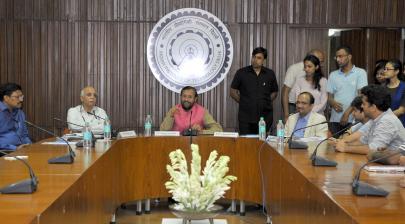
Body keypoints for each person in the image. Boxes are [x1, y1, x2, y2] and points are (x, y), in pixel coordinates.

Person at [335, 85, 405, 165]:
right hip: (380, 163)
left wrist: (345, 148)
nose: (361, 106)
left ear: (373, 107)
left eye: (364, 104)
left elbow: (373, 149)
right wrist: (342, 143)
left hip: (395, 169)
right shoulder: (376, 118)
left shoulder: (387, 121)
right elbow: (362, 142)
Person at [230, 47, 278, 135]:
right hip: (246, 118)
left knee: (262, 144)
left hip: (264, 117)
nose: (255, 60)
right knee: (246, 144)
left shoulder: (270, 74)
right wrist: (244, 101)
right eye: (254, 57)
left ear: (264, 60)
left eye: (259, 58)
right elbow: (233, 91)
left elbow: (275, 92)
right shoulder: (241, 73)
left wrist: (266, 101)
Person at [327, 46, 368, 137]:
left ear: (349, 57)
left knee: (349, 145)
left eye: (341, 56)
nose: (338, 59)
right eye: (336, 57)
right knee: (334, 146)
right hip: (335, 118)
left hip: (353, 118)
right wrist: (332, 102)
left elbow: (361, 96)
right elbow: (329, 97)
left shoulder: (360, 73)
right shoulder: (333, 75)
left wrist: (347, 113)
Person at [282, 49, 325, 121]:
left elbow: (323, 101)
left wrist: (310, 110)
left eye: (322, 61)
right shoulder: (295, 69)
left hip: (316, 112)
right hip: (296, 106)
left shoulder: (322, 79)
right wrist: (286, 115)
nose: (321, 64)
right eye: (319, 61)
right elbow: (285, 91)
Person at [0, 83, 31, 150]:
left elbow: (25, 134)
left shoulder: (20, 112)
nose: (21, 100)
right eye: (17, 97)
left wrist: (30, 145)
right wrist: (14, 148)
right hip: (4, 152)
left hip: (21, 150)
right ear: (6, 98)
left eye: (21, 97)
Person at [383, 59, 405, 127]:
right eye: (385, 69)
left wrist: (383, 118)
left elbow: (401, 111)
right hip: (384, 125)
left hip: (399, 125)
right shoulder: (382, 87)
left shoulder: (403, 87)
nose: (385, 71)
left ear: (396, 71)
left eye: (388, 69)